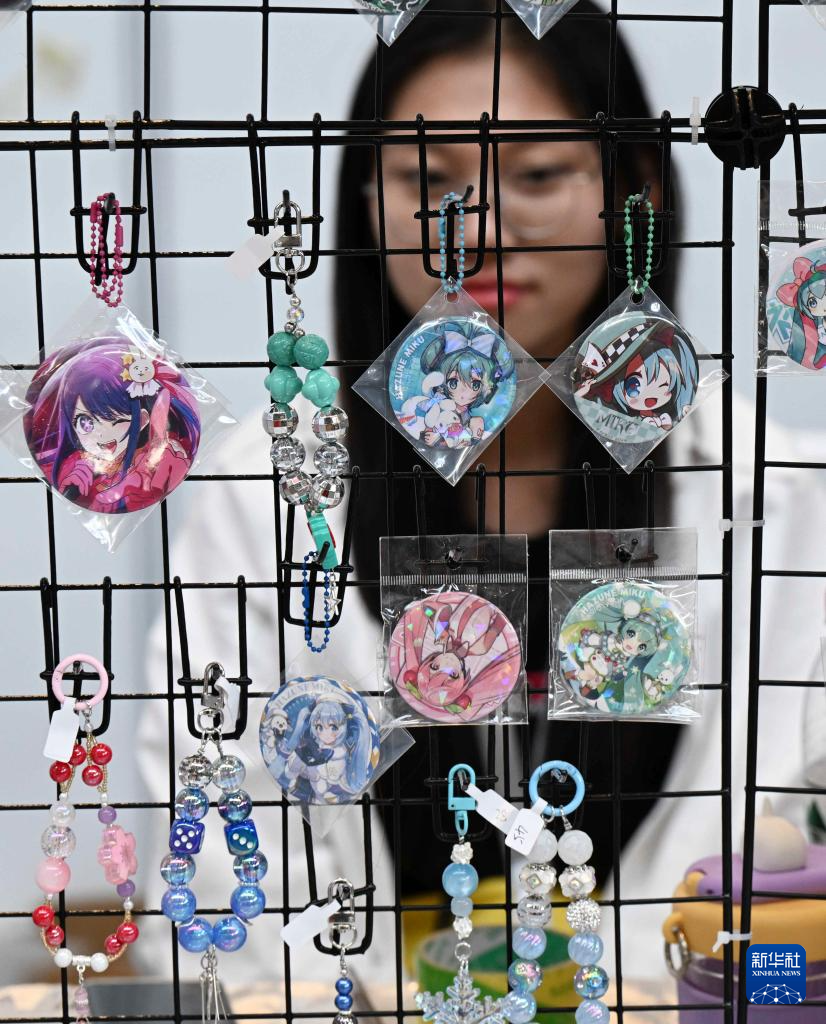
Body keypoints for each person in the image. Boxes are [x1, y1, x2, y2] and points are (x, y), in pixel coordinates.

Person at [138, 0, 825, 1012]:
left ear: (634, 187)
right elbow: (210, 858)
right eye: (429, 183)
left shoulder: (778, 500)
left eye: (538, 175)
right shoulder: (265, 499)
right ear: (365, 200)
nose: (481, 233)